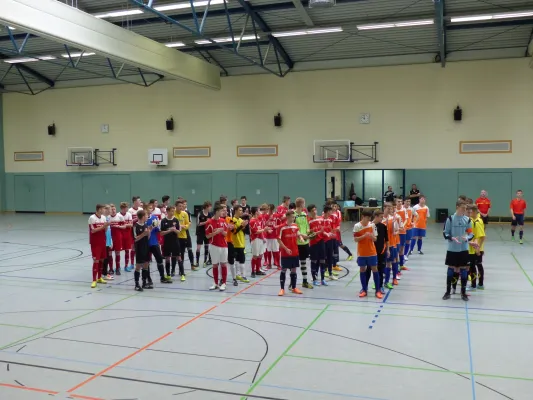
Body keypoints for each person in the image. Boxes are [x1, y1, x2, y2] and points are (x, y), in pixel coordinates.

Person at [442, 200, 476, 301]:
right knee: (451, 269)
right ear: (457, 207)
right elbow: (445, 233)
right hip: (452, 249)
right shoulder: (450, 219)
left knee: (464, 269)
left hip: (463, 249)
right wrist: (451, 238)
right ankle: (448, 292)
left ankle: (463, 293)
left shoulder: (467, 220)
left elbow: (471, 234)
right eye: (462, 208)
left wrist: (467, 238)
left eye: (465, 208)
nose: (464, 210)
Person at [353, 210, 382, 299]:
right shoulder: (357, 226)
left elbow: (375, 239)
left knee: (375, 269)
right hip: (362, 252)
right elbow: (355, 239)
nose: (369, 220)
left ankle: (378, 290)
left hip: (372, 252)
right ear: (363, 217)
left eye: (370, 218)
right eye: (367, 218)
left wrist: (372, 236)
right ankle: (364, 290)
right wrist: (364, 236)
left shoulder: (372, 225)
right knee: (362, 269)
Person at [278, 211, 304, 296]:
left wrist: (301, 238)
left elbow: (298, 234)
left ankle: (294, 288)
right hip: (285, 253)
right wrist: (285, 249)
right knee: (284, 270)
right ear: (287, 217)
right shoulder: (282, 227)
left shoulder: (295, 225)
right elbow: (279, 240)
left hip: (294, 252)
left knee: (294, 269)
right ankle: (282, 289)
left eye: (294, 217)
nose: (294, 218)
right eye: (292, 217)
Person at [206, 204, 230, 291]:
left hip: (224, 246)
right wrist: (215, 233)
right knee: (215, 265)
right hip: (214, 246)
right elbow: (207, 236)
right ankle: (215, 283)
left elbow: (226, 234)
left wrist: (222, 231)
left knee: (223, 264)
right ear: (216, 212)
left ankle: (224, 283)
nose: (223, 212)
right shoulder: (209, 222)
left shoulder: (223, 221)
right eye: (221, 211)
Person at [146, 203, 172, 285]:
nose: (151, 209)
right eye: (149, 208)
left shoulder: (155, 218)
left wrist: (158, 227)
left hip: (154, 242)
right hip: (146, 244)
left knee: (159, 260)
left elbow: (158, 231)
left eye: (151, 208)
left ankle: (162, 277)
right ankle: (148, 279)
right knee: (147, 262)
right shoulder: (143, 219)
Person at [294, 197, 314, 289]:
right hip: (296, 242)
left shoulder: (304, 214)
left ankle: (305, 281)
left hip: (305, 242)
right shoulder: (293, 215)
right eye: (304, 203)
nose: (304, 205)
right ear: (301, 204)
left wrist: (309, 232)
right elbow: (294, 228)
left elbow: (307, 226)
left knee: (303, 262)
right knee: (293, 264)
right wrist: (302, 236)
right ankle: (292, 283)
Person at [89, 204, 109, 288]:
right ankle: (94, 280)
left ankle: (99, 277)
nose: (104, 210)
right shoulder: (92, 218)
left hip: (102, 241)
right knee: (96, 260)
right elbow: (93, 230)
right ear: (99, 209)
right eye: (103, 209)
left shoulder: (104, 218)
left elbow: (105, 230)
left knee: (102, 259)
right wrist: (103, 226)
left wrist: (106, 226)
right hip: (95, 242)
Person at [161, 205, 182, 280]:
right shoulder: (163, 221)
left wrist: (175, 230)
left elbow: (179, 232)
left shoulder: (176, 220)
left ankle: (182, 274)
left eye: (174, 211)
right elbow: (161, 233)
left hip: (175, 242)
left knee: (178, 257)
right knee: (167, 258)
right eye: (172, 211)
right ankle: (168, 274)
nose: (173, 212)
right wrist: (169, 230)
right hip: (167, 242)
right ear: (167, 211)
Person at [467, 205, 486, 291]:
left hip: (476, 248)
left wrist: (478, 248)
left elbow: (482, 236)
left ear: (475, 212)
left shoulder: (478, 221)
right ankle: (479, 284)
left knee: (474, 266)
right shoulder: (471, 220)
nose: (469, 213)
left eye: (470, 212)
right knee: (477, 265)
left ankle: (474, 285)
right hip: (473, 247)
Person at [133, 209, 152, 291]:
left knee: (146, 265)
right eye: (146, 215)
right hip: (139, 248)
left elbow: (148, 237)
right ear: (143, 216)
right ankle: (137, 284)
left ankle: (144, 283)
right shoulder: (135, 226)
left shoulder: (145, 225)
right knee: (138, 266)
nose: (147, 217)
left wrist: (149, 231)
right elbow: (135, 239)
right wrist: (143, 234)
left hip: (146, 247)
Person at [307, 204, 326, 286]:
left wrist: (325, 233)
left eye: (315, 210)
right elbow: (308, 233)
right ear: (309, 212)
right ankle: (314, 279)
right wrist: (315, 233)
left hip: (321, 241)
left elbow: (323, 230)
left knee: (322, 260)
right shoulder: (308, 221)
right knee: (314, 260)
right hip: (313, 243)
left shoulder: (321, 218)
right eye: (312, 211)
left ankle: (323, 279)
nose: (314, 212)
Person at [176, 200, 196, 270]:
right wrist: (179, 226)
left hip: (186, 233)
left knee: (189, 249)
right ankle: (181, 268)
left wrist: (185, 226)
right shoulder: (175, 213)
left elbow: (189, 223)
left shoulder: (187, 213)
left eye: (185, 204)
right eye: (183, 204)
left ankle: (192, 264)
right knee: (181, 252)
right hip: (178, 234)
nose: (184, 206)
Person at [371, 210, 388, 295]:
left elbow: (387, 239)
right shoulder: (370, 226)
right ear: (376, 216)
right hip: (371, 252)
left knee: (381, 270)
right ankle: (365, 288)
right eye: (381, 217)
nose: (382, 218)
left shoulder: (383, 226)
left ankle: (380, 286)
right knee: (369, 270)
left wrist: (387, 250)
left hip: (381, 251)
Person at [232, 205, 248, 286]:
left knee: (239, 259)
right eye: (240, 210)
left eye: (242, 210)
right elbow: (234, 232)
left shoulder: (241, 220)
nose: (241, 212)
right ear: (235, 211)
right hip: (236, 243)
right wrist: (242, 226)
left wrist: (245, 226)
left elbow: (244, 231)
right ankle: (243, 275)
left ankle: (238, 274)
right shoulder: (232, 220)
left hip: (242, 242)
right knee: (241, 260)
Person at [383, 203, 399, 288]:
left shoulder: (392, 219)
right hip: (382, 245)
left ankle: (391, 279)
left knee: (391, 262)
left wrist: (394, 231)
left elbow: (396, 230)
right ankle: (378, 282)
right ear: (384, 208)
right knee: (380, 263)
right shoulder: (380, 218)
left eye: (391, 209)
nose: (390, 210)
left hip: (391, 244)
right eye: (388, 208)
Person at [250, 207, 268, 278]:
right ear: (255, 212)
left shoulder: (257, 220)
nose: (259, 212)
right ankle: (253, 271)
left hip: (260, 239)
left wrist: (263, 238)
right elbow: (255, 232)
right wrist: (264, 230)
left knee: (260, 255)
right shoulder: (252, 221)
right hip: (255, 239)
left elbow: (260, 230)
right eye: (258, 210)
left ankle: (258, 270)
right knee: (255, 255)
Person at [322, 205, 338, 282]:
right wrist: (326, 234)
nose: (332, 212)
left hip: (330, 240)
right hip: (323, 241)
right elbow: (320, 230)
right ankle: (324, 271)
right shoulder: (321, 219)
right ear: (327, 211)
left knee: (330, 256)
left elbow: (331, 229)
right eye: (330, 211)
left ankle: (330, 273)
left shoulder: (330, 219)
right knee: (323, 257)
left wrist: (332, 234)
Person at [109, 204, 126, 276]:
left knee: (117, 252)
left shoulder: (120, 217)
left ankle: (118, 268)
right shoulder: (107, 217)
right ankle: (111, 269)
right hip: (110, 238)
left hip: (118, 237)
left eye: (114, 209)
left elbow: (124, 226)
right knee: (109, 253)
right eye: (112, 209)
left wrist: (118, 226)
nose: (113, 211)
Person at [264, 204, 282, 269]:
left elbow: (280, 225)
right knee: (268, 251)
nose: (269, 211)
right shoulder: (265, 216)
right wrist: (269, 220)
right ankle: (269, 264)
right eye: (268, 209)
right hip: (268, 236)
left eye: (271, 209)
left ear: (273, 209)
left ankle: (278, 264)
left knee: (276, 251)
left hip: (275, 236)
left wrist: (275, 227)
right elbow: (264, 225)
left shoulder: (277, 216)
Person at [128, 196, 143, 269]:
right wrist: (137, 219)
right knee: (133, 247)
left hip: (141, 229)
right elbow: (130, 221)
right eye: (138, 201)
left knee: (141, 247)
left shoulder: (141, 209)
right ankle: (132, 263)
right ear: (134, 202)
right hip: (133, 230)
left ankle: (140, 262)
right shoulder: (130, 211)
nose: (140, 202)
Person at [196, 201, 212, 267]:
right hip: (200, 233)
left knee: (206, 248)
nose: (210, 208)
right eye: (210, 207)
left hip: (207, 233)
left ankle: (205, 261)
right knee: (198, 248)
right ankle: (197, 262)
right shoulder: (200, 213)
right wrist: (206, 222)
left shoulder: (210, 214)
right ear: (206, 207)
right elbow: (198, 223)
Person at [119, 202, 134, 273]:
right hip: (120, 234)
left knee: (127, 250)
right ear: (122, 208)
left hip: (127, 235)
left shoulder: (129, 214)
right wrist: (126, 225)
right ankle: (118, 267)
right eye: (125, 208)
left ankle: (126, 266)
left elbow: (131, 225)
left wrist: (124, 225)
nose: (127, 209)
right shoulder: (118, 215)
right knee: (118, 251)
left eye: (127, 207)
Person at [394, 198, 408, 271]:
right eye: (398, 201)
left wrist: (402, 226)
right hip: (395, 232)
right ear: (395, 202)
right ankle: (395, 266)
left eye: (400, 201)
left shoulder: (404, 209)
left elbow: (406, 219)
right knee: (396, 248)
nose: (400, 203)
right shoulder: (394, 210)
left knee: (402, 248)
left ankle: (401, 265)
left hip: (402, 231)